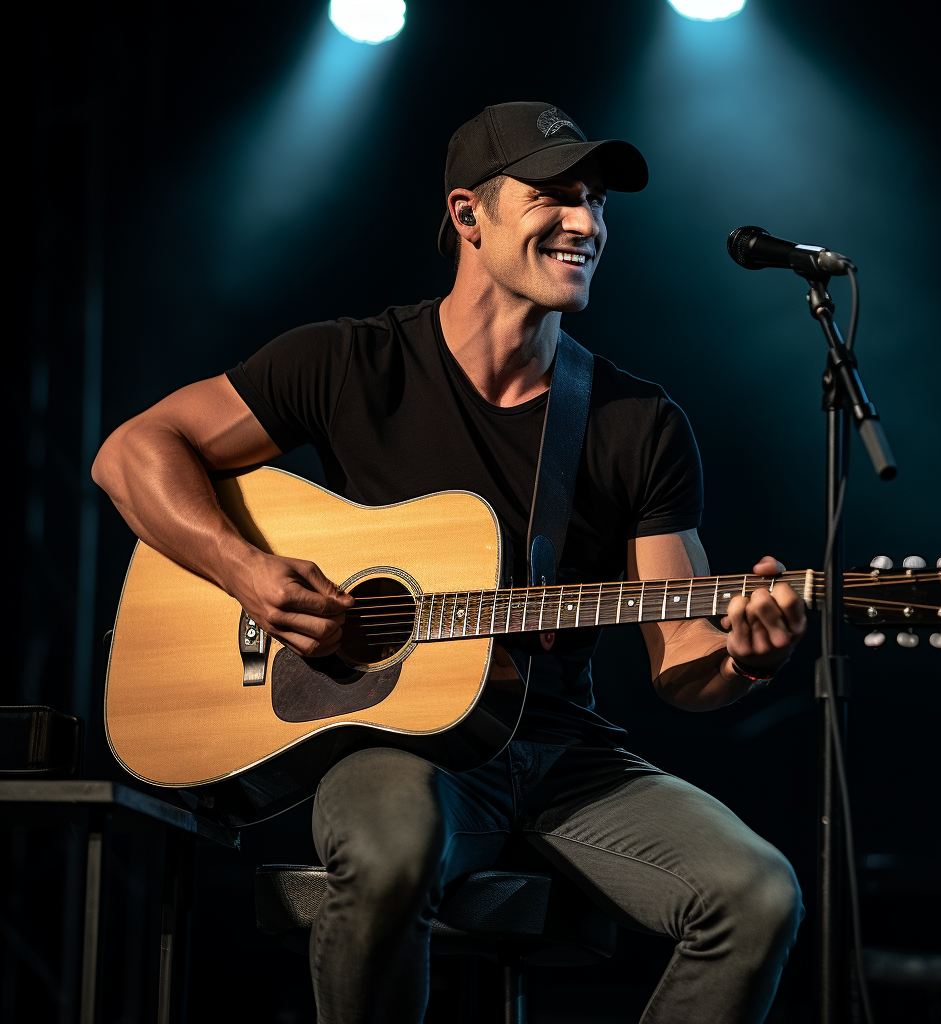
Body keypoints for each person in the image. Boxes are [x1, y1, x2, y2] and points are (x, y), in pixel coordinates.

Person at [93, 101, 806, 1024]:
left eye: (595, 202)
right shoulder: (352, 362)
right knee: (389, 856)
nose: (586, 223)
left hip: (562, 757)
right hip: (397, 747)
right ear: (468, 215)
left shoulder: (639, 421)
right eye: (555, 196)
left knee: (757, 895)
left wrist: (749, 656)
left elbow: (682, 661)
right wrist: (244, 570)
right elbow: (131, 453)